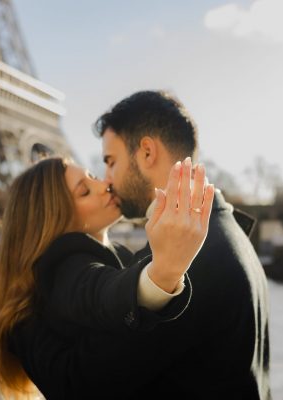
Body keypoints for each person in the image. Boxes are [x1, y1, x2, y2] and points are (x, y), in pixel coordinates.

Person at [0, 156, 215, 399]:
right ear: (56, 219)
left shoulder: (116, 253)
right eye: (84, 191)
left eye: (94, 177)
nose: (104, 185)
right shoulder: (63, 263)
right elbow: (97, 289)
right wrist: (163, 273)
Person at [94, 90, 271, 399]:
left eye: (111, 161)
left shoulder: (186, 257)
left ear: (146, 152)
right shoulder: (227, 230)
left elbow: (96, 383)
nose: (106, 178)